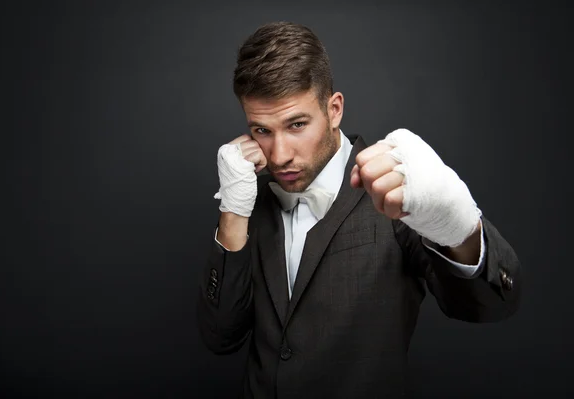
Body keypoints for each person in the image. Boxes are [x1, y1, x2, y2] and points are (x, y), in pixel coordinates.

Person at [196, 21, 521, 398]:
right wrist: (234, 208)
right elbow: (220, 337)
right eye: (262, 131)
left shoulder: (396, 192)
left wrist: (457, 223)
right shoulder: (253, 199)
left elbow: (494, 303)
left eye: (297, 124)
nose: (279, 154)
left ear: (334, 110)